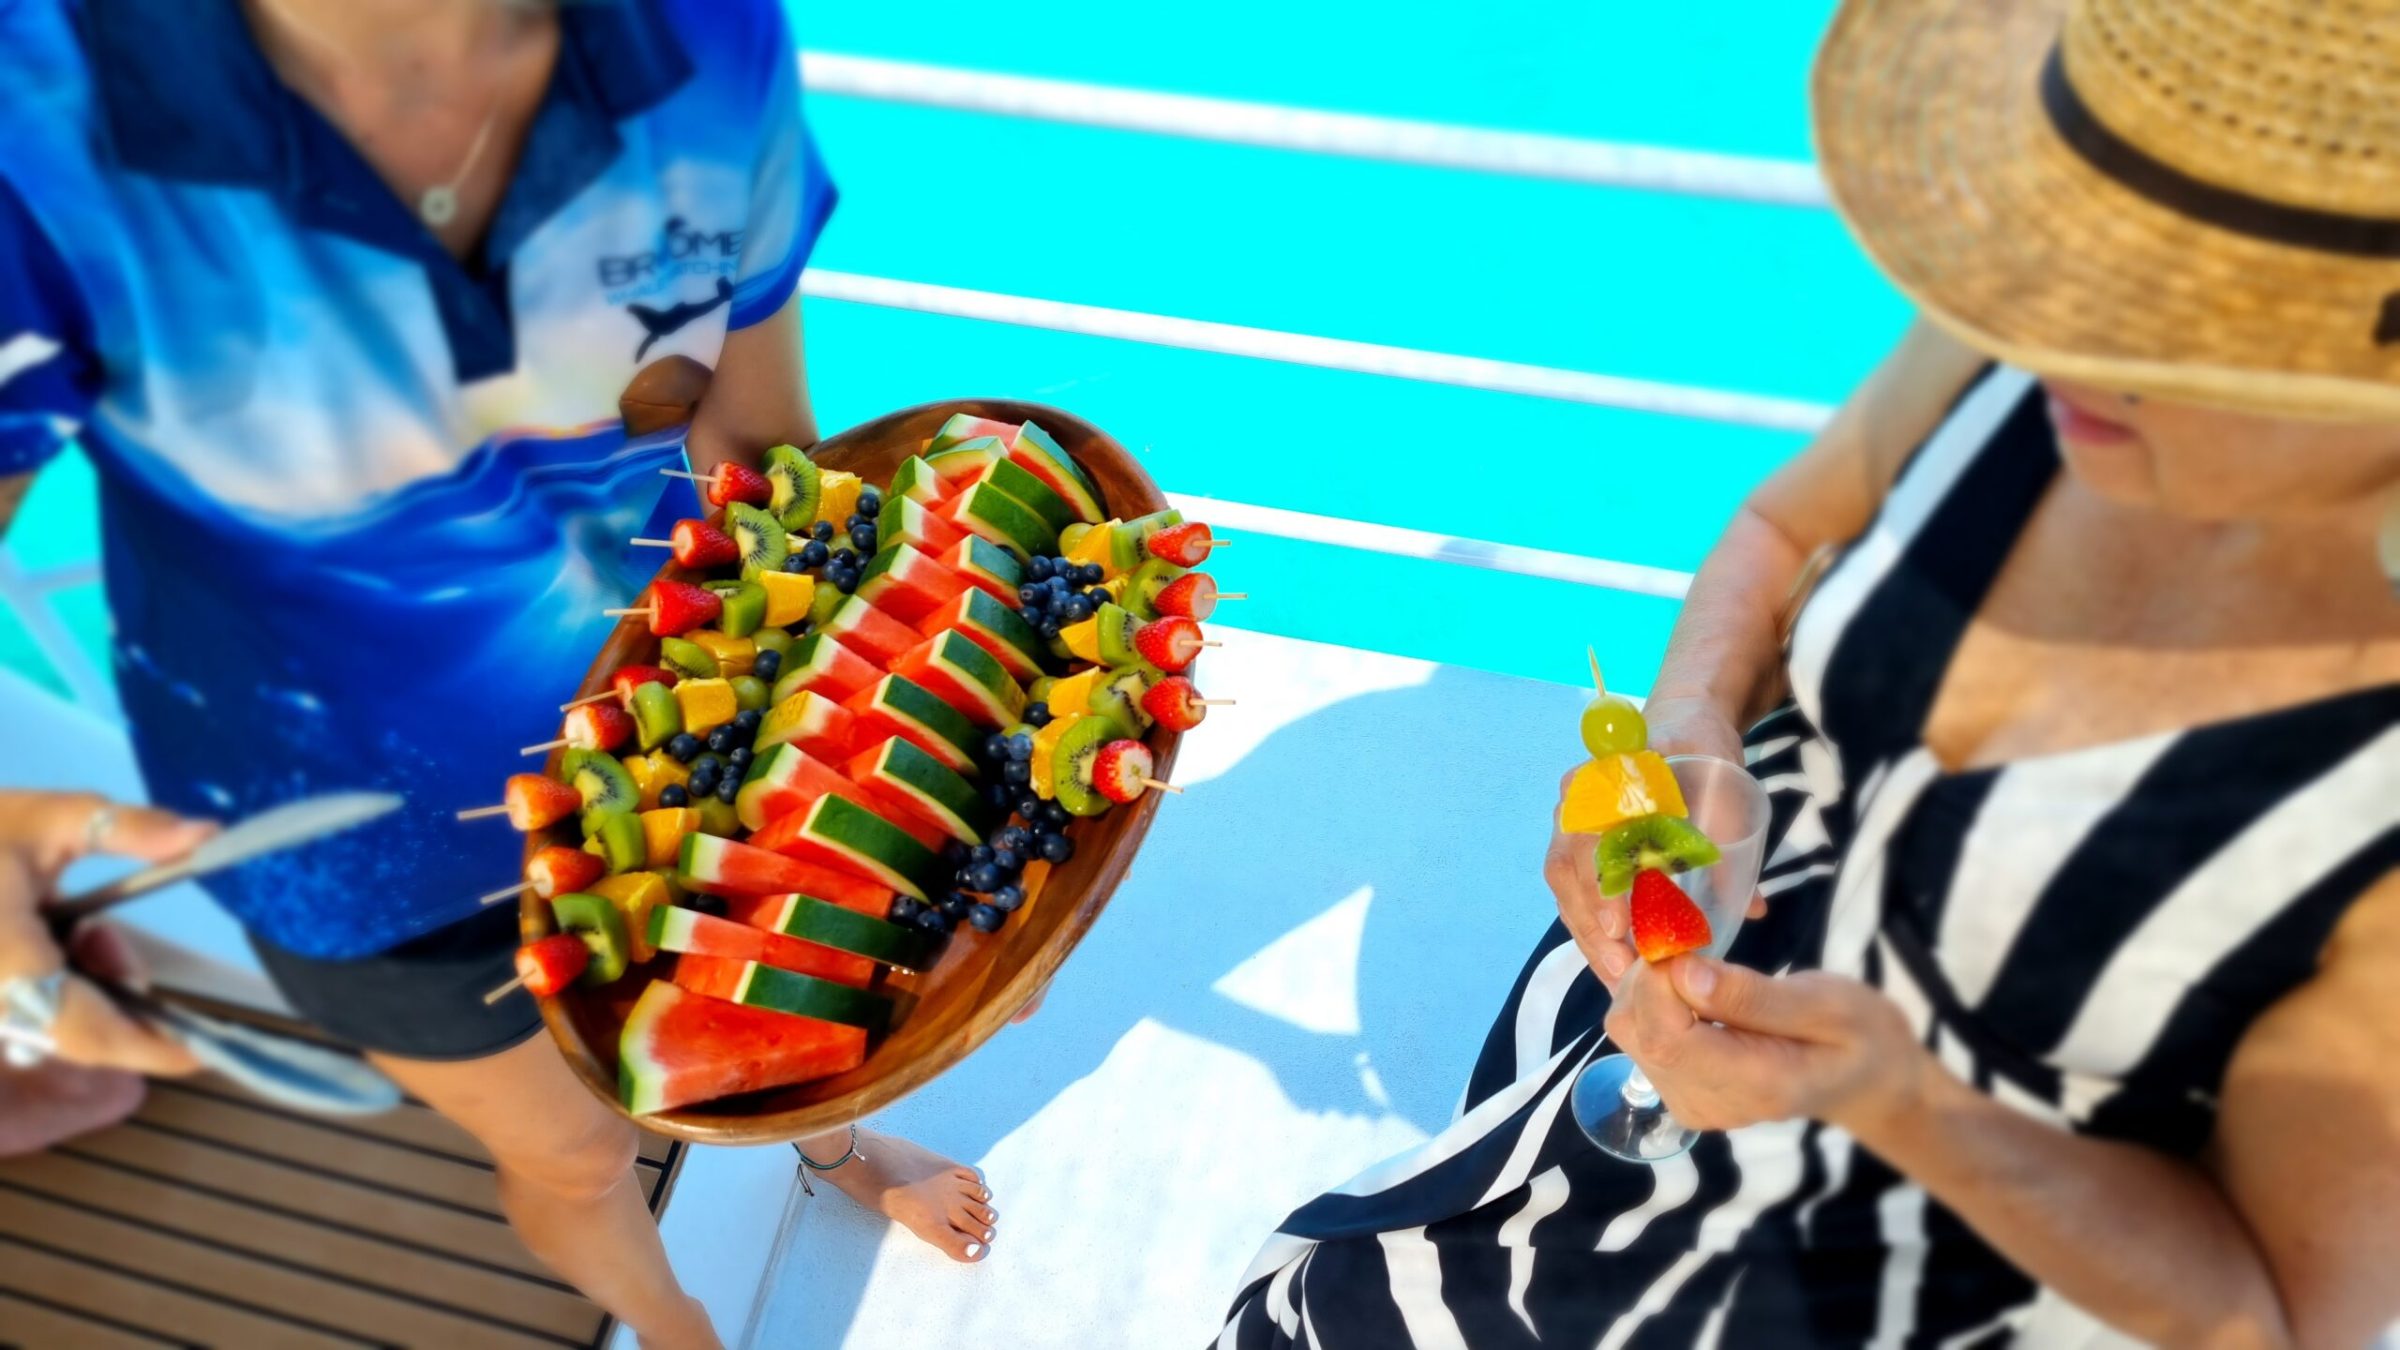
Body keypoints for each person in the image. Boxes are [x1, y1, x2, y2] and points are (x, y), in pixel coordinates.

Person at [1219, 0, 2399, 1344]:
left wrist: (1897, 1099)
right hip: (1679, 986)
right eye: (2080, 241)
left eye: (2179, 308)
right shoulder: (2032, 343)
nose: (2057, 324)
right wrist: (1692, 736)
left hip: (1936, 1246)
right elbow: (1783, 527)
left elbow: (2271, 1313)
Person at [0, 2, 994, 1344]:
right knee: (578, 1155)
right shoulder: (38, 115)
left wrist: (916, 709)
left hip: (677, 715)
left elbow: (759, 446)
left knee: (781, 992)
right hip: (349, 848)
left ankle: (833, 1146)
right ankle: (673, 1323)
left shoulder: (706, 41)